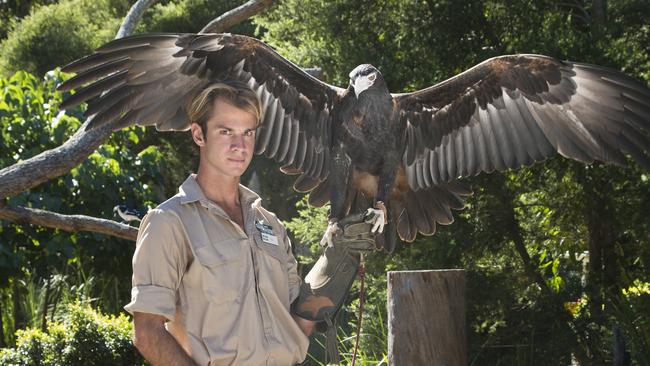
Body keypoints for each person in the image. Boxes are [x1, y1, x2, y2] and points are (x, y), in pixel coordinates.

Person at [124, 80, 376, 366]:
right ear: (198, 134)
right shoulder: (168, 223)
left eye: (248, 133)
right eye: (225, 131)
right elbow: (147, 332)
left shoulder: (269, 224)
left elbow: (297, 319)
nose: (239, 145)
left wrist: (336, 258)